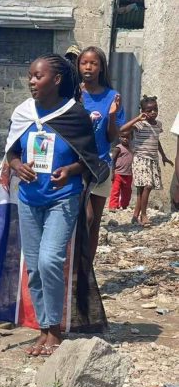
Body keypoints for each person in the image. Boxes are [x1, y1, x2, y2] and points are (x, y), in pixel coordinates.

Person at [6, 54, 104, 356]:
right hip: (29, 199)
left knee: (50, 260)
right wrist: (17, 165)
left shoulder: (75, 115)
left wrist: (70, 171)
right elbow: (11, 152)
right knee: (34, 268)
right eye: (31, 76)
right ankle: (45, 329)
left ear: (57, 79)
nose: (32, 82)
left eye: (39, 76)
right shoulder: (23, 112)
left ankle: (57, 331)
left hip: (62, 198)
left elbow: (91, 161)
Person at [78, 46, 125, 262]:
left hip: (101, 166)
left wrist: (113, 116)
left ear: (101, 67)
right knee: (83, 216)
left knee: (95, 221)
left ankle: (86, 270)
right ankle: (73, 264)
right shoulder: (73, 93)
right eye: (84, 62)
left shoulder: (112, 96)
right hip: (75, 165)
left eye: (93, 63)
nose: (88, 67)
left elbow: (111, 137)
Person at [120, 95, 174, 226]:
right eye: (149, 110)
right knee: (148, 186)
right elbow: (122, 130)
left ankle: (135, 216)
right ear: (143, 111)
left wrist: (163, 156)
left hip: (153, 160)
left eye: (155, 109)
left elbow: (156, 140)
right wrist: (137, 118)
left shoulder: (158, 125)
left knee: (141, 190)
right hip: (140, 159)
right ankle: (144, 216)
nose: (153, 112)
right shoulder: (140, 124)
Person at [108, 130, 133, 211]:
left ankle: (124, 205)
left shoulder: (131, 149)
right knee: (115, 190)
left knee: (127, 191)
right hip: (118, 173)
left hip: (128, 174)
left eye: (128, 137)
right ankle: (113, 206)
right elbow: (113, 160)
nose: (125, 139)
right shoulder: (118, 148)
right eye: (123, 137)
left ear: (131, 138)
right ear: (119, 138)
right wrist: (112, 173)